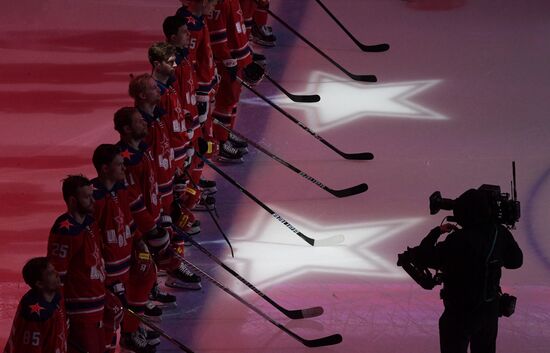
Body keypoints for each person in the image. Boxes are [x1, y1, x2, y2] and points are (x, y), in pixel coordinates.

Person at [415, 189, 523, 353]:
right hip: (489, 312)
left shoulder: (457, 240)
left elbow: (424, 257)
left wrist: (436, 232)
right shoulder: (499, 233)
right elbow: (516, 261)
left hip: (459, 315)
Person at [114, 105, 202, 290]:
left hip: (155, 210)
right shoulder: (125, 161)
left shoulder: (142, 151)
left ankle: (167, 272)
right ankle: (149, 291)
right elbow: (132, 200)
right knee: (141, 265)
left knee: (174, 231)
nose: (144, 122)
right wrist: (151, 227)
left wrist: (162, 208)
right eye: (138, 121)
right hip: (138, 226)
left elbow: (152, 183)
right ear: (127, 129)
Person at [91, 144, 159, 352]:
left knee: (137, 286)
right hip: (108, 270)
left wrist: (139, 242)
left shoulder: (120, 189)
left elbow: (127, 221)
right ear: (104, 169)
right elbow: (93, 240)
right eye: (119, 165)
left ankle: (131, 332)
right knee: (110, 316)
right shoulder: (95, 199)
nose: (123, 169)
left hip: (124, 261)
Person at [47, 175, 106, 353]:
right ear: (72, 201)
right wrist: (61, 313)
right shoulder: (66, 231)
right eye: (86, 197)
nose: (92, 201)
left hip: (96, 304)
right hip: (80, 311)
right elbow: (56, 278)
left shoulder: (90, 223)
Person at [3, 257, 68, 353]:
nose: (57, 274)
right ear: (39, 284)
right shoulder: (36, 315)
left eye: (54, 270)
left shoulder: (55, 297)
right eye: (50, 273)